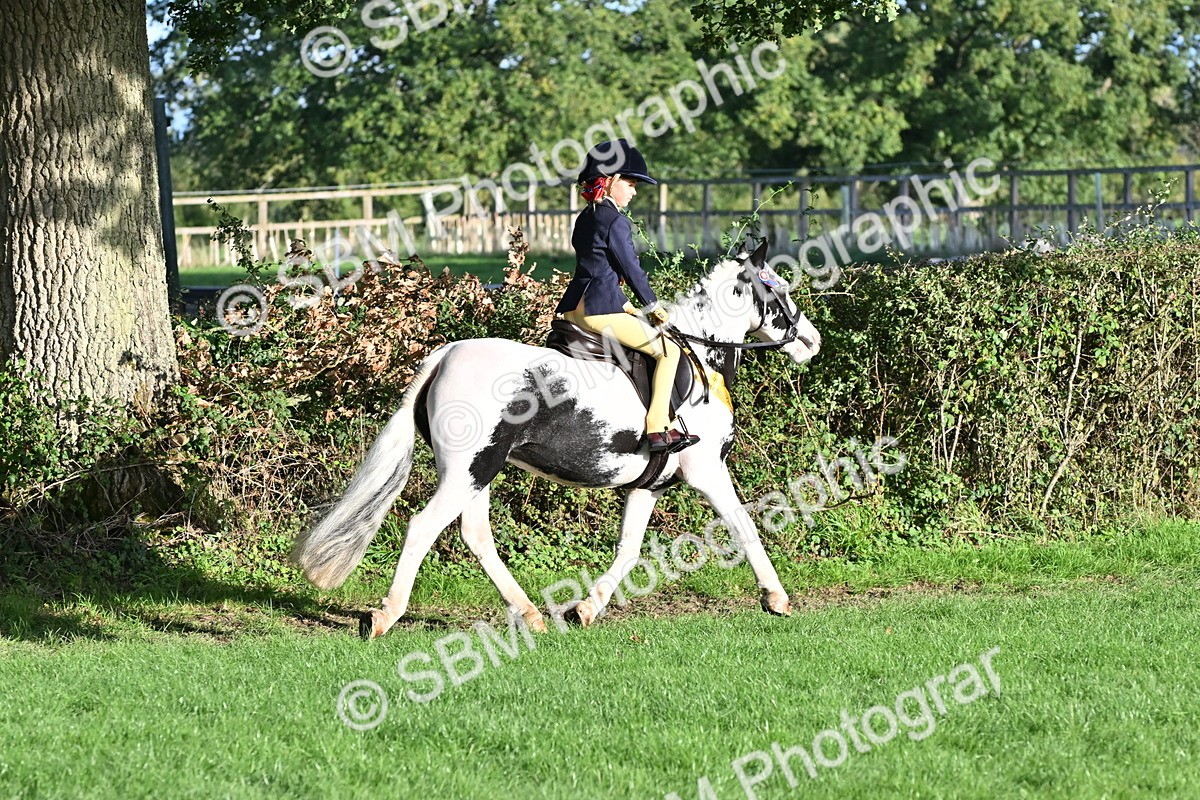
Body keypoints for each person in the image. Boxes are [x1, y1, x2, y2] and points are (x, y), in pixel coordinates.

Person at [555, 139, 699, 454]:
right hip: (599, 310)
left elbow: (598, 268)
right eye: (630, 184)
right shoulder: (615, 220)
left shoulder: (586, 216)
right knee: (669, 351)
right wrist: (653, 306)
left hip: (577, 307)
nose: (634, 191)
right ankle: (658, 428)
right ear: (609, 181)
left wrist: (626, 306)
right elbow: (631, 269)